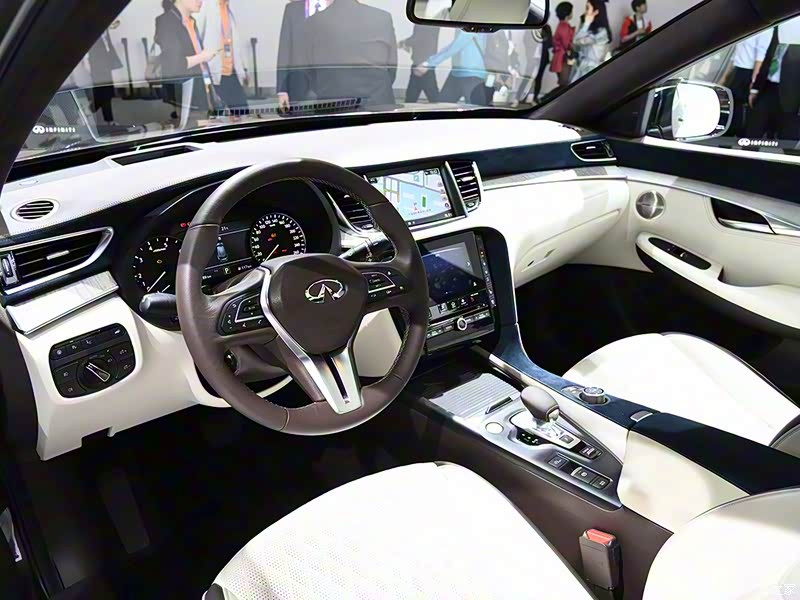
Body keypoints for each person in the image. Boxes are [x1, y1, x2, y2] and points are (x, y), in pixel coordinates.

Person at [301, 0, 397, 107]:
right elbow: (392, 68)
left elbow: (309, 69)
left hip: (331, 103)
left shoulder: (313, 21)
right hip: (378, 102)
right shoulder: (383, 17)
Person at [155, 0, 218, 117]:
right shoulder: (166, 21)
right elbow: (176, 64)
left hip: (200, 85)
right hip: (185, 90)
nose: (200, 1)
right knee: (194, 123)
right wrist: (203, 57)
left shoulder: (191, 21)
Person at [747, 29, 800, 142]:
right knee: (753, 132)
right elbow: (768, 58)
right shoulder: (781, 29)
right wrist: (755, 89)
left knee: (788, 139)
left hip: (792, 93)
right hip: (768, 87)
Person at [198, 0, 249, 111]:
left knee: (243, 111)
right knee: (219, 113)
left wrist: (243, 69)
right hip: (214, 74)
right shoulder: (205, 6)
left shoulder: (228, 7)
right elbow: (196, 39)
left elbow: (236, 44)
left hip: (231, 72)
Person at [415, 31, 489, 106]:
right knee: (441, 106)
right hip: (457, 73)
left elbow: (455, 46)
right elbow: (453, 46)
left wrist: (429, 63)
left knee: (474, 109)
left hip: (472, 75)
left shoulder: (472, 27)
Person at [721, 29, 771, 136]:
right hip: (737, 71)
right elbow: (735, 55)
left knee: (741, 109)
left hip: (748, 72)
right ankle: (728, 136)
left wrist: (754, 82)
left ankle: (740, 136)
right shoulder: (746, 27)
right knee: (731, 106)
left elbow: (760, 57)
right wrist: (724, 77)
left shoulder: (765, 30)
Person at [277, 0, 312, 111]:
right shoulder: (292, 10)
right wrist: (282, 90)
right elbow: (284, 49)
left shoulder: (337, 8)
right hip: (298, 87)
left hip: (331, 89)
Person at [87, 22, 123, 126]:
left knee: (106, 91)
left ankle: (106, 118)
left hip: (106, 62)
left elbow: (107, 43)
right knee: (104, 91)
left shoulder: (104, 29)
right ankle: (90, 111)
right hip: (97, 63)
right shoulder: (91, 28)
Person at [570, 0, 612, 83]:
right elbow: (576, 47)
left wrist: (586, 23)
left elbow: (577, 41)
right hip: (583, 67)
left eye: (587, 8)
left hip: (592, 70)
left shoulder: (601, 32)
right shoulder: (589, 30)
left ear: (596, 11)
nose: (585, 12)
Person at [400, 23, 441, 103]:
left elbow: (418, 38)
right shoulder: (430, 23)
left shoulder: (425, 23)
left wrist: (404, 43)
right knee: (413, 95)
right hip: (423, 63)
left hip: (422, 64)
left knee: (431, 96)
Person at [551, 2, 575, 88]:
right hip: (563, 58)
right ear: (567, 13)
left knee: (563, 84)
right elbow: (566, 44)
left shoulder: (562, 25)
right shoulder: (564, 26)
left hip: (560, 58)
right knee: (564, 84)